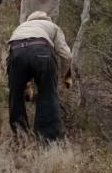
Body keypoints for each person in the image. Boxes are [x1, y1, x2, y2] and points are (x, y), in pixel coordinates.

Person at [6, 11, 72, 141]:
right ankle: (47, 139)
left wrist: (26, 86)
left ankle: (20, 136)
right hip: (42, 51)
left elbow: (11, 56)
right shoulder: (52, 26)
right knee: (47, 94)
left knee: (15, 96)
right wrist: (66, 78)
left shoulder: (21, 27)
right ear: (48, 20)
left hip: (17, 51)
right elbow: (67, 55)